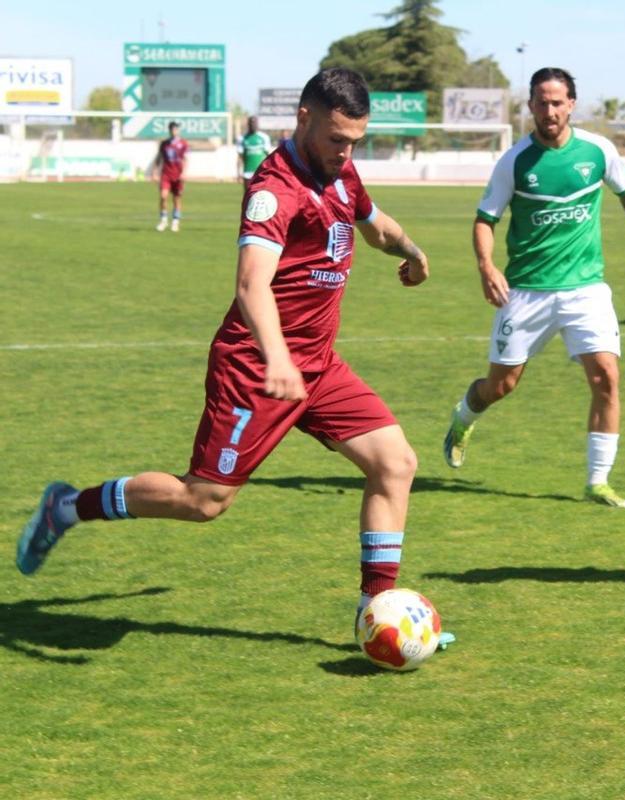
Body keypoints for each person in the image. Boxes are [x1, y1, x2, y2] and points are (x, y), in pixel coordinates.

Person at [17, 68, 435, 627]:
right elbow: (250, 284)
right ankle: (66, 507)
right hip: (255, 366)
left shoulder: (341, 171)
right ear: (304, 118)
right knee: (203, 501)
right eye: (338, 139)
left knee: (395, 462)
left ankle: (375, 612)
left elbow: (374, 224)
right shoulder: (274, 189)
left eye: (356, 141)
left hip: (318, 367)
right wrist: (277, 357)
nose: (346, 152)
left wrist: (412, 252)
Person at [442, 67, 625, 509]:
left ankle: (597, 482)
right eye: (541, 103)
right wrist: (486, 265)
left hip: (586, 289)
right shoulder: (515, 161)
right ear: (530, 106)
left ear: (571, 104)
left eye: (557, 102)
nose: (549, 111)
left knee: (606, 377)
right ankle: (464, 415)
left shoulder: (597, 150)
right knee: (501, 385)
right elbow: (485, 220)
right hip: (527, 291)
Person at [153, 121, 187, 231]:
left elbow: (185, 159)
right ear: (169, 130)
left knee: (177, 198)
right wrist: (154, 172)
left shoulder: (183, 144)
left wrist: (184, 173)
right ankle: (163, 220)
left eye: (176, 129)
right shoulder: (164, 144)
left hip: (178, 175)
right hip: (166, 174)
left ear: (178, 130)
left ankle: (175, 221)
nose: (174, 131)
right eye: (172, 129)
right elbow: (159, 158)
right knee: (163, 196)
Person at [236, 115, 273, 186]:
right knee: (248, 193)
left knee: (261, 193)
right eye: (251, 123)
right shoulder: (242, 138)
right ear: (248, 124)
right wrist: (238, 173)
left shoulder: (264, 137)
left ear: (257, 124)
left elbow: (269, 157)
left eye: (255, 123)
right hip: (247, 173)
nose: (253, 125)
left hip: (261, 173)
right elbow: (240, 157)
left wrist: (270, 172)